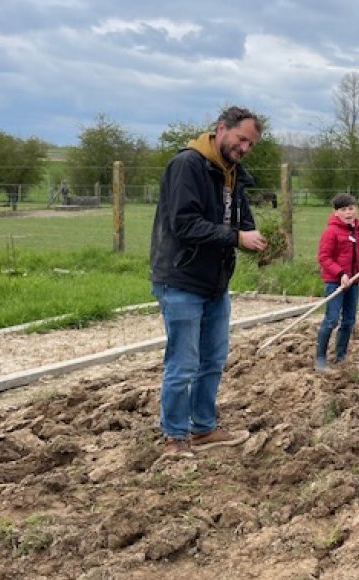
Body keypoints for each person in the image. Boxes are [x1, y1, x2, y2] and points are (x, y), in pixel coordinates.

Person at [149, 106, 268, 459]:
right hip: (181, 277)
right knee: (183, 362)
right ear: (221, 128)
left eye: (251, 143)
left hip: (215, 281)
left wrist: (256, 238)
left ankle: (203, 428)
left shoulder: (231, 173)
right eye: (241, 138)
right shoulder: (188, 165)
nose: (244, 147)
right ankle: (175, 437)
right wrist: (236, 238)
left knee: (213, 359)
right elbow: (183, 223)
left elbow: (241, 221)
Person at [315, 192, 359, 372]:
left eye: (351, 208)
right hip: (335, 282)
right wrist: (340, 275)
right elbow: (324, 258)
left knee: (348, 320)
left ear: (356, 209)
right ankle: (320, 359)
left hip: (353, 282)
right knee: (331, 320)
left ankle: (341, 356)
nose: (348, 213)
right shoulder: (331, 232)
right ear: (336, 212)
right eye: (344, 209)